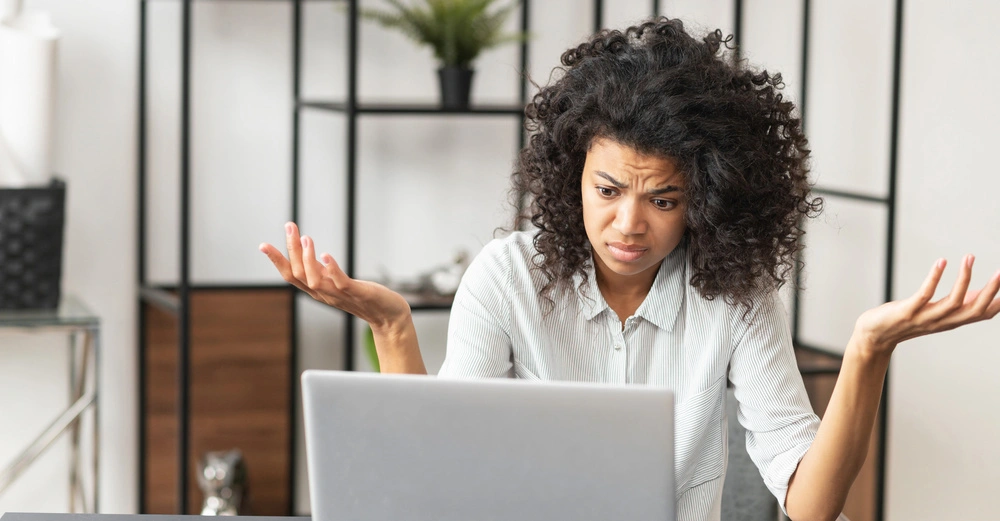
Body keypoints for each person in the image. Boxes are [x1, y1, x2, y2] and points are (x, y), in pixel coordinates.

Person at [259, 16, 1000, 521]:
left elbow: (811, 506)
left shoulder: (735, 297)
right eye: (607, 190)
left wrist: (868, 350)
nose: (628, 224)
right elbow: (440, 478)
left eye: (664, 198)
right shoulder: (507, 276)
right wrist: (394, 324)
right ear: (570, 175)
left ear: (704, 198)